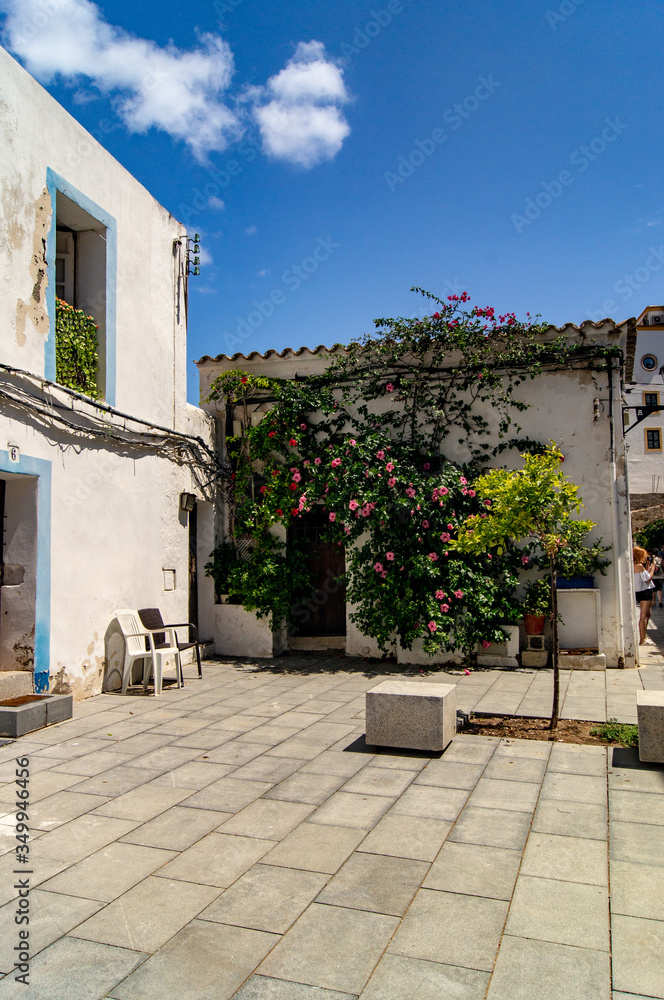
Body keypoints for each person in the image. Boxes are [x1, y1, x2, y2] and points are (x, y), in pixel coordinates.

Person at [633, 546, 655, 644]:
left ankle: (644, 636)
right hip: (644, 591)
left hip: (638, 591)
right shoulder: (639, 566)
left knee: (647, 615)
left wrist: (648, 569)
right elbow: (647, 579)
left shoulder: (633, 565)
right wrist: (652, 569)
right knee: (644, 616)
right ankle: (643, 638)